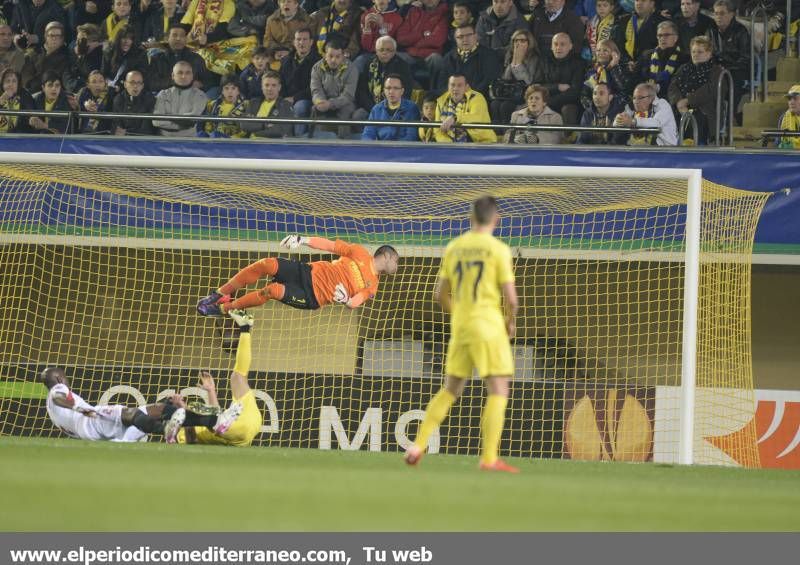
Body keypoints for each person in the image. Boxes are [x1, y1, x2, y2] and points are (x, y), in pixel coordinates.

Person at [404, 195, 519, 473]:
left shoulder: (454, 247)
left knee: (451, 389)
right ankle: (489, 458)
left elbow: (439, 294)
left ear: (470, 219)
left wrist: (460, 315)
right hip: (489, 325)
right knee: (498, 389)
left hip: (461, 327)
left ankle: (417, 445)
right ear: (496, 219)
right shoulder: (499, 250)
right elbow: (512, 300)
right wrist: (510, 322)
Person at [197, 235, 399, 315]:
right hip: (307, 272)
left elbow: (354, 302)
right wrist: (302, 239)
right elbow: (329, 245)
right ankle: (218, 294)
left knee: (272, 290)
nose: (397, 266)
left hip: (311, 296)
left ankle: (224, 309)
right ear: (387, 255)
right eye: (397, 261)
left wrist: (347, 300)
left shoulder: (373, 286)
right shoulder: (359, 252)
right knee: (267, 264)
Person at [41, 366, 240, 443]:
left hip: (97, 435)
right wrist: (78, 407)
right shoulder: (56, 391)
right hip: (91, 421)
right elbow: (61, 397)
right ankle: (166, 429)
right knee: (128, 413)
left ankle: (211, 422)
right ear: (59, 378)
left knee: (161, 409)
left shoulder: (50, 410)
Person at [174, 309, 262, 446]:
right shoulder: (180, 437)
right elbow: (191, 441)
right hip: (238, 430)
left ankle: (245, 327)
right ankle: (245, 327)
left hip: (243, 417)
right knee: (215, 422)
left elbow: (215, 413)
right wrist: (183, 409)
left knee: (237, 377)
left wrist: (211, 390)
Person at [668, 35, 723, 144]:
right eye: (693, 52)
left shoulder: (717, 71)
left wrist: (687, 101)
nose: (695, 55)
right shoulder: (684, 68)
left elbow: (710, 91)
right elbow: (672, 87)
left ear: (709, 53)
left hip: (704, 110)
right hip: (679, 108)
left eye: (700, 52)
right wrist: (679, 102)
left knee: (697, 118)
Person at [490, 28, 542, 125]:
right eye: (515, 40)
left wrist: (518, 64)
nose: (518, 43)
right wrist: (513, 62)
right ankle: (497, 132)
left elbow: (528, 81)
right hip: (509, 93)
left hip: (525, 94)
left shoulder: (535, 58)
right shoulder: (509, 55)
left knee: (506, 106)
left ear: (529, 43)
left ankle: (507, 131)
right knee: (494, 104)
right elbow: (505, 79)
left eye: (522, 41)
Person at [353, 35, 413, 121]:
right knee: (357, 116)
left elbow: (406, 91)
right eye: (381, 50)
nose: (384, 53)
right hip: (371, 106)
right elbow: (361, 91)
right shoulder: (369, 64)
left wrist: (390, 108)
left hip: (394, 107)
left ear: (394, 51)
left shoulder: (402, 66)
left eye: (388, 50)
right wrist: (373, 108)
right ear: (376, 51)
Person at [437, 22, 502, 100]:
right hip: (453, 99)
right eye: (460, 37)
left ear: (475, 36)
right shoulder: (448, 57)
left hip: (479, 99)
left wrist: (468, 96)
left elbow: (488, 81)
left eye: (468, 35)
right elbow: (443, 83)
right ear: (455, 39)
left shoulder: (489, 55)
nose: (465, 39)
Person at [309, 38, 358, 139]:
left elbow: (348, 96)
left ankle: (343, 142)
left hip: (344, 103)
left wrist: (331, 104)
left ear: (343, 56)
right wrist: (319, 101)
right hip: (324, 100)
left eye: (337, 57)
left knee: (346, 110)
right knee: (314, 108)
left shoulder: (352, 69)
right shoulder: (316, 68)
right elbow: (316, 90)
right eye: (330, 56)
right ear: (324, 55)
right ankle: (312, 140)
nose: (333, 60)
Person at [539, 32, 586, 125]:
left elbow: (575, 92)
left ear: (570, 46)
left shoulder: (578, 63)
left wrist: (549, 102)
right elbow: (537, 86)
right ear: (551, 47)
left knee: (568, 109)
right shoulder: (544, 61)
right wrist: (557, 87)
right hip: (546, 100)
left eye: (562, 44)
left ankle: (569, 138)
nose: (558, 47)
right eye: (555, 44)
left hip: (569, 102)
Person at [279, 27, 319, 136]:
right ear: (294, 42)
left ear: (311, 42)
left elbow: (315, 88)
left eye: (305, 39)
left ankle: (298, 140)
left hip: (307, 99)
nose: (301, 42)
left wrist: (294, 98)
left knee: (299, 107)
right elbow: (280, 82)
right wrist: (282, 98)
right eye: (298, 39)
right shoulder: (285, 60)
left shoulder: (318, 61)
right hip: (287, 97)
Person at [434, 73, 496, 143]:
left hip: (481, 144)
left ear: (466, 87)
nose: (455, 88)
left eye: (459, 85)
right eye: (452, 85)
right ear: (448, 86)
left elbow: (476, 118)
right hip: (451, 147)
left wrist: (455, 118)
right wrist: (450, 145)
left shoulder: (477, 98)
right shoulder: (441, 101)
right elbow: (438, 131)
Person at [152, 60, 208, 136]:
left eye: (187, 73)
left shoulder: (200, 95)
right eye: (180, 73)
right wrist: (182, 123)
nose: (183, 76)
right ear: (173, 76)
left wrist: (168, 117)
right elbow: (156, 121)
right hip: (163, 141)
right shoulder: (163, 94)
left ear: (192, 76)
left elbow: (191, 120)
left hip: (188, 141)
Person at [635, 21, 688, 97]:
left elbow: (680, 84)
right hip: (644, 96)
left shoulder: (684, 58)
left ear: (675, 38)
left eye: (666, 35)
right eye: (659, 35)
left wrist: (658, 87)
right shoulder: (647, 55)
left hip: (669, 98)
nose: (662, 38)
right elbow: (637, 77)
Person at [613, 81, 678, 145]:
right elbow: (615, 124)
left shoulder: (662, 104)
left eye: (640, 98)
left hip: (666, 151)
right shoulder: (632, 108)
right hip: (642, 150)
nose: (636, 102)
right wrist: (620, 119)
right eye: (634, 98)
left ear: (650, 98)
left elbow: (656, 123)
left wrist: (633, 121)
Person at [361, 73, 420, 141]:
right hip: (381, 149)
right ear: (384, 90)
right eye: (388, 88)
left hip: (402, 149)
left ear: (402, 91)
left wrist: (394, 149)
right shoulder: (377, 109)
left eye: (396, 88)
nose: (391, 91)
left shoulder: (411, 108)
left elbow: (411, 137)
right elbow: (368, 134)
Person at [582, 38, 634, 108]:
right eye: (598, 50)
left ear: (614, 53)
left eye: (605, 50)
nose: (601, 53)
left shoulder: (623, 67)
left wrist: (613, 66)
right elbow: (584, 94)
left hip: (616, 107)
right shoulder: (592, 71)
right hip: (596, 109)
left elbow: (624, 90)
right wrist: (593, 107)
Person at [242, 70, 294, 138]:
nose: (270, 89)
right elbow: (244, 124)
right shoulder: (253, 103)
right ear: (262, 87)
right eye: (266, 85)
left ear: (279, 87)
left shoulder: (285, 105)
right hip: (250, 145)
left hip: (272, 145)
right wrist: (264, 125)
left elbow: (281, 130)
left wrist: (255, 133)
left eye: (274, 85)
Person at [101, 25, 149, 93]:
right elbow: (103, 73)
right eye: (124, 38)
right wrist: (107, 82)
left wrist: (121, 86)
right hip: (108, 87)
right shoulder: (109, 52)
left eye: (130, 39)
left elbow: (141, 77)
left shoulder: (140, 55)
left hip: (128, 89)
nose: (126, 41)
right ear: (118, 39)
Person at [197, 73, 248, 137]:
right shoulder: (212, 105)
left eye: (233, 88)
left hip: (234, 141)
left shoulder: (246, 105)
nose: (230, 91)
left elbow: (245, 131)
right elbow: (208, 126)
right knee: (200, 135)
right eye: (226, 88)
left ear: (238, 91)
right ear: (222, 91)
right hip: (214, 138)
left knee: (216, 135)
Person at [29, 69, 75, 134]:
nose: (54, 88)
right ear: (43, 88)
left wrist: (44, 125)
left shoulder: (67, 99)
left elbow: (66, 127)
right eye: (50, 85)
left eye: (57, 85)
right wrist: (32, 121)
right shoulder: (37, 99)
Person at [112, 69, 156, 135]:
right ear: (125, 84)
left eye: (139, 83)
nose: (135, 86)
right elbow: (117, 126)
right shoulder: (118, 99)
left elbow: (147, 128)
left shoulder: (149, 99)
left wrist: (127, 132)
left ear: (142, 86)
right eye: (132, 82)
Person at [77, 69, 114, 133]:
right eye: (94, 82)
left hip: (103, 135)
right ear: (88, 84)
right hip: (83, 135)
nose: (98, 85)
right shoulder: (84, 92)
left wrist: (98, 109)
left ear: (105, 83)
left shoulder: (111, 95)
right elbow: (79, 102)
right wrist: (85, 104)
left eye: (101, 81)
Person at [0, 68, 34, 133]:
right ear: (2, 84)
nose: (11, 84)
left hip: (18, 138)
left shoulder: (25, 96)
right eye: (7, 81)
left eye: (14, 81)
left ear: (18, 84)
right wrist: (2, 100)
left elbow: (29, 120)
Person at [776, 84, 800, 149]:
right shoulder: (783, 117)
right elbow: (778, 142)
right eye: (789, 99)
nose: (791, 102)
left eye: (795, 98)